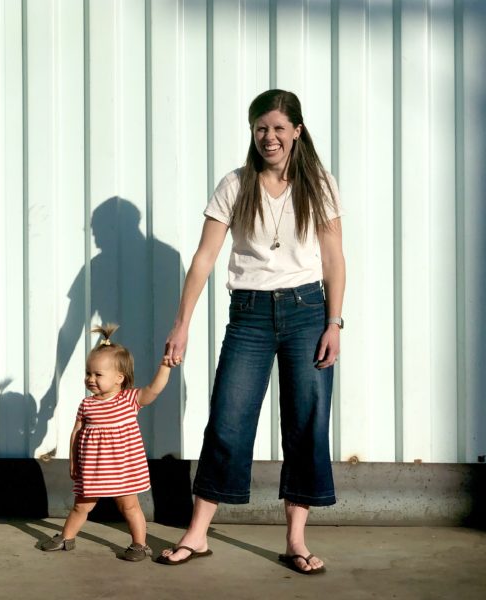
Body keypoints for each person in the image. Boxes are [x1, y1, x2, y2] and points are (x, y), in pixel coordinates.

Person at [157, 89, 345, 574]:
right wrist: (182, 325)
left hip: (307, 312)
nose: (270, 137)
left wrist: (334, 322)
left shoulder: (318, 184)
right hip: (250, 315)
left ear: (297, 131)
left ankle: (296, 541)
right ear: (252, 132)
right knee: (228, 420)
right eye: (262, 127)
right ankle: (198, 534)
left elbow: (333, 259)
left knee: (306, 423)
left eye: (280, 127)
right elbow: (204, 258)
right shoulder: (235, 184)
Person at [41, 324, 178, 561]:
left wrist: (165, 366)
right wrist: (73, 462)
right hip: (93, 469)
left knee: (129, 507)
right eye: (88, 373)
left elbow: (154, 390)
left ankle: (139, 544)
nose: (90, 379)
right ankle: (66, 538)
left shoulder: (128, 400)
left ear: (119, 378)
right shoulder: (87, 404)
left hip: (121, 469)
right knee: (81, 506)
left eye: (98, 375)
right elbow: (76, 432)